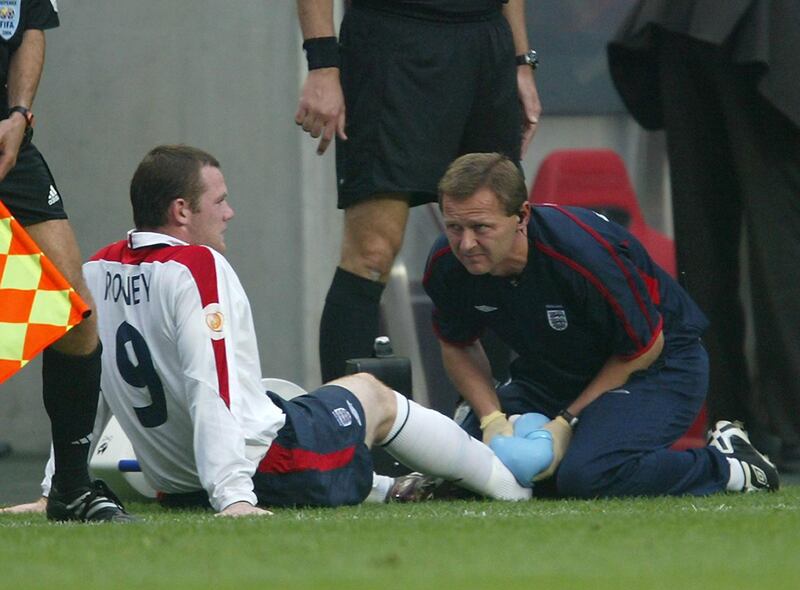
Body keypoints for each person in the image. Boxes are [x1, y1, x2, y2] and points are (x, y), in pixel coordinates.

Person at [2, 145, 531, 517]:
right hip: (268, 469)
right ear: (181, 210)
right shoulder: (199, 267)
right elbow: (213, 387)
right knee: (372, 396)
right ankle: (514, 492)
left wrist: (59, 485)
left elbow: (80, 388)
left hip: (177, 486)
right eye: (221, 200)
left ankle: (390, 489)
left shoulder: (95, 270)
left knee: (282, 394)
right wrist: (232, 496)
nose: (231, 213)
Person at [422, 152, 778, 497]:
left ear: (522, 217)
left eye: (481, 227)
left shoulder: (584, 255)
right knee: (459, 464)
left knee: (588, 475)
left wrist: (565, 422)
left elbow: (644, 347)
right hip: (553, 372)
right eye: (454, 227)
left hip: (658, 365)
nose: (466, 244)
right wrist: (491, 420)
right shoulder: (446, 263)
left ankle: (731, 466)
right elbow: (458, 343)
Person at [294, 0, 541, 383]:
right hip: (391, 37)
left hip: (485, 40)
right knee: (371, 253)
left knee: (495, 244)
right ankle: (344, 427)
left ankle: (492, 419)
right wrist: (323, 63)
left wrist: (521, 61)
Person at [607, 1, 800, 465]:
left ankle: (729, 421)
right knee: (780, 239)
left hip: (684, 24)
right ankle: (787, 424)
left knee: (706, 238)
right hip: (767, 31)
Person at [0, 0, 130, 521]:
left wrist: (18, 113)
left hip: (9, 144)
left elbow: (29, 25)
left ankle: (72, 489)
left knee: (74, 310)